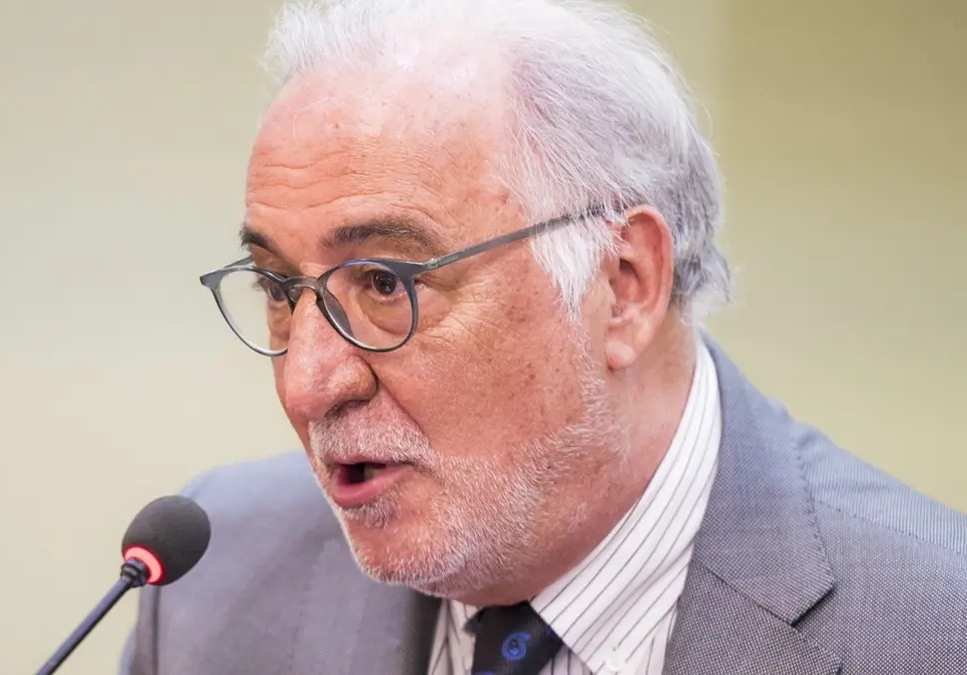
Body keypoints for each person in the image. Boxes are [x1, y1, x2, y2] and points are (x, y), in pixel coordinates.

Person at [121, 0, 967, 672]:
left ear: (623, 285)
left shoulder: (933, 627)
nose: (307, 384)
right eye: (278, 289)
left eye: (385, 284)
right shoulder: (211, 589)